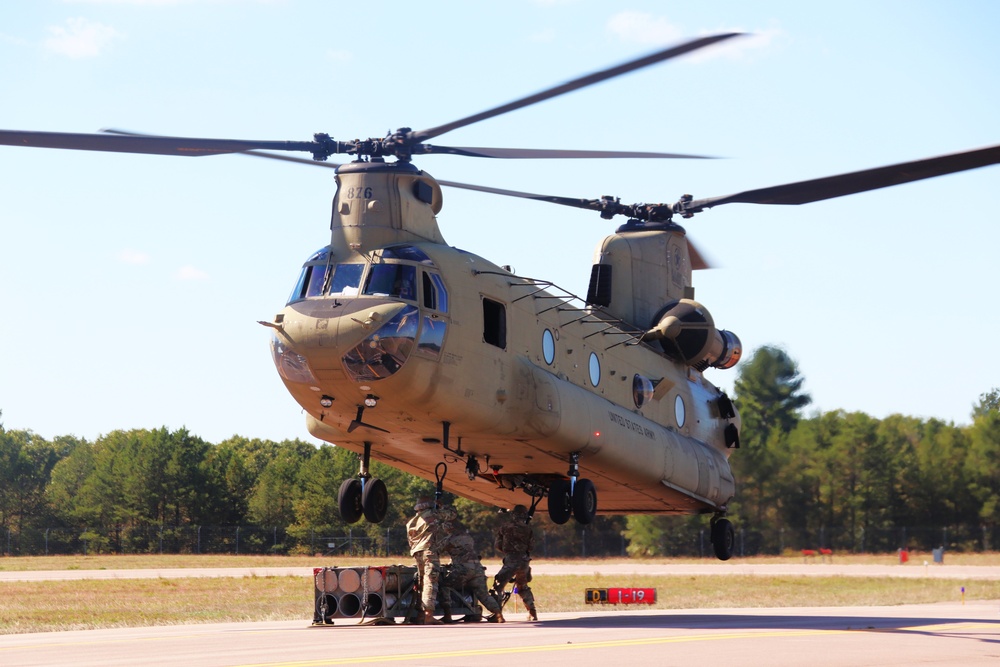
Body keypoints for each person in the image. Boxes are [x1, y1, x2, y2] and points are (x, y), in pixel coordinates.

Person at [406, 495, 455, 624]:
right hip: (429, 552)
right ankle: (428, 614)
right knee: (431, 581)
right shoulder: (432, 514)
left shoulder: (412, 521)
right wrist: (441, 506)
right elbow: (452, 515)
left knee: (422, 582)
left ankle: (420, 614)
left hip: (417, 552)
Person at [443, 523, 505, 623]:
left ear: (448, 528)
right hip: (478, 569)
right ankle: (498, 615)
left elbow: (436, 550)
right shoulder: (468, 537)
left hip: (463, 569)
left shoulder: (449, 539)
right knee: (484, 595)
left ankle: (447, 614)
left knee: (444, 585)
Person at [492, 504, 538, 621]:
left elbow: (498, 545)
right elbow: (531, 547)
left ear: (513, 515)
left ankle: (498, 615)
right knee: (523, 587)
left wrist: (508, 551)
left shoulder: (505, 527)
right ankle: (532, 613)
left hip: (511, 559)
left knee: (498, 586)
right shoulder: (528, 529)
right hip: (524, 561)